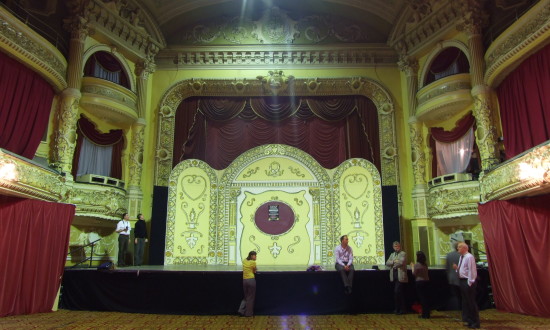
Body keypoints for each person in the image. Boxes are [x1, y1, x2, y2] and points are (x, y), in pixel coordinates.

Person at [453, 242, 480, 329]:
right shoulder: (461, 257)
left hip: (468, 282)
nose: (458, 249)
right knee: (465, 302)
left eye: (459, 247)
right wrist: (457, 269)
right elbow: (463, 269)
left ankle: (476, 322)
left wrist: (470, 282)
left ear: (464, 248)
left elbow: (472, 271)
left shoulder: (469, 257)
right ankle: (469, 320)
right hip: (462, 281)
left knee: (471, 302)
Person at [386, 241, 408, 314]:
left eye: (397, 246)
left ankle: (402, 309)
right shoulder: (392, 254)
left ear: (400, 246)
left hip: (400, 276)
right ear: (393, 247)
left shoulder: (403, 254)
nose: (396, 248)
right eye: (395, 246)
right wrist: (394, 261)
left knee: (398, 292)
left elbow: (401, 262)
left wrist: (394, 264)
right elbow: (387, 263)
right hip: (394, 276)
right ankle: (398, 309)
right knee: (397, 293)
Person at [410, 251, 430, 319]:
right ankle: (427, 314)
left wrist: (412, 266)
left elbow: (414, 274)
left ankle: (424, 315)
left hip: (420, 282)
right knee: (426, 298)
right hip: (426, 282)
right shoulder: (425, 264)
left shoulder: (417, 265)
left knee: (422, 299)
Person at [238, 251, 257, 317]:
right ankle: (248, 313)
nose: (256, 257)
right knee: (251, 297)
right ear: (251, 256)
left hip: (244, 280)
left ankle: (241, 310)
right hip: (251, 280)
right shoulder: (253, 262)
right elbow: (254, 271)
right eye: (255, 256)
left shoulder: (244, 261)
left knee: (246, 297)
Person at [446, 241, 462, 312]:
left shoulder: (449, 255)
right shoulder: (462, 255)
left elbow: (447, 268)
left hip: (452, 278)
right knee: (463, 296)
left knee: (457, 296)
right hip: (461, 278)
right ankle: (463, 310)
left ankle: (459, 309)